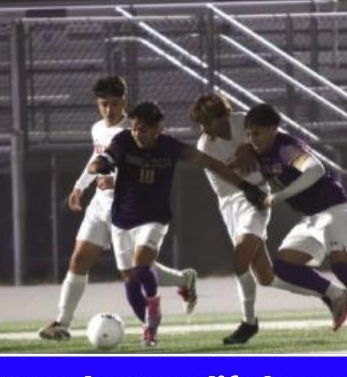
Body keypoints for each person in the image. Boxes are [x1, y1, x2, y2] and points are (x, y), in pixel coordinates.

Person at [88, 101, 268, 346]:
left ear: (157, 130)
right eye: (134, 128)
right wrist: (101, 166)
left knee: (141, 266)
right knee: (130, 283)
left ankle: (152, 318)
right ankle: (158, 312)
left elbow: (211, 164)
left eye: (143, 129)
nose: (137, 134)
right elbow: (98, 162)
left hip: (154, 217)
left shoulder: (170, 147)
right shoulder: (123, 141)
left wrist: (247, 187)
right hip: (122, 218)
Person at [39, 77, 198, 342]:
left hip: (127, 208)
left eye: (114, 103)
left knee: (133, 273)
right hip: (100, 204)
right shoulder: (98, 128)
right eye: (104, 104)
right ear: (97, 104)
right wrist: (80, 186)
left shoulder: (134, 129)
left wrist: (119, 179)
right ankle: (62, 323)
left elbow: (147, 166)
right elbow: (97, 157)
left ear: (125, 99)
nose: (109, 110)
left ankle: (178, 286)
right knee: (79, 259)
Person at [190, 93, 347, 345]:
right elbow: (224, 174)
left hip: (254, 199)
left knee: (239, 260)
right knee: (265, 277)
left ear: (224, 117)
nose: (204, 129)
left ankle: (249, 323)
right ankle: (333, 293)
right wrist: (246, 160)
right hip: (230, 203)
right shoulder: (205, 144)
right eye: (201, 124)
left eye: (208, 122)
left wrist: (249, 149)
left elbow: (272, 140)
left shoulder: (243, 123)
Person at [244, 104, 347, 343]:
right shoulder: (258, 152)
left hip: (334, 209)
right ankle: (336, 295)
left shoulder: (285, 147)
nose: (252, 139)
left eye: (257, 133)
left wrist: (278, 197)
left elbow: (315, 170)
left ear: (273, 129)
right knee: (283, 267)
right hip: (312, 217)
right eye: (249, 134)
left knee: (342, 268)